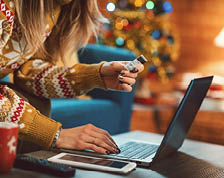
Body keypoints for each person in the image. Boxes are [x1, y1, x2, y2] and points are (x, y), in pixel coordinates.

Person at [0, 0, 143, 155]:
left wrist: (95, 76)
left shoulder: (56, 7)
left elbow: (26, 71)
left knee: (37, 101)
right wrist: (54, 134)